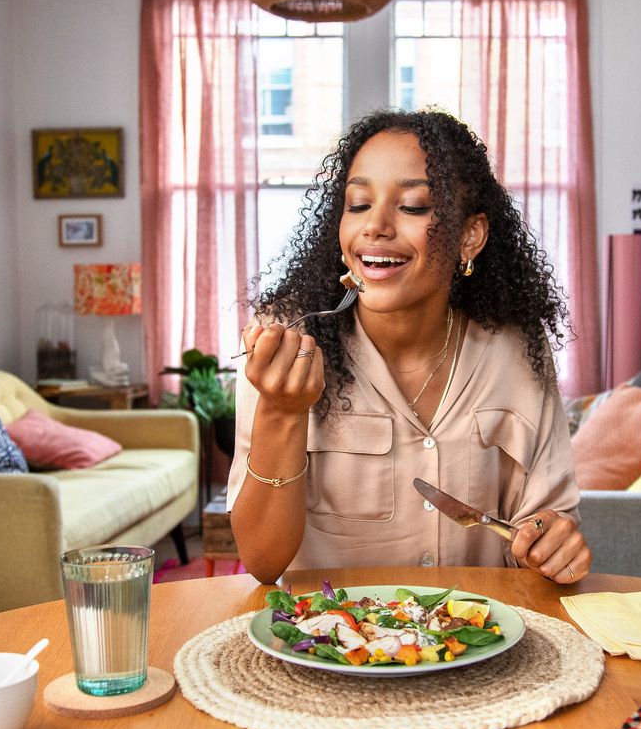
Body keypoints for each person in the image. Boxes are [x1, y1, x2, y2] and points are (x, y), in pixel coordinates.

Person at [228, 109, 591, 585]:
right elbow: (262, 560)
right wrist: (281, 411)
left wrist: (548, 541)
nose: (375, 226)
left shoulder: (517, 346)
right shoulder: (286, 341)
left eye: (414, 207)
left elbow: (547, 520)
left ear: (469, 236)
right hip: (328, 646)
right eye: (357, 204)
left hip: (475, 645)